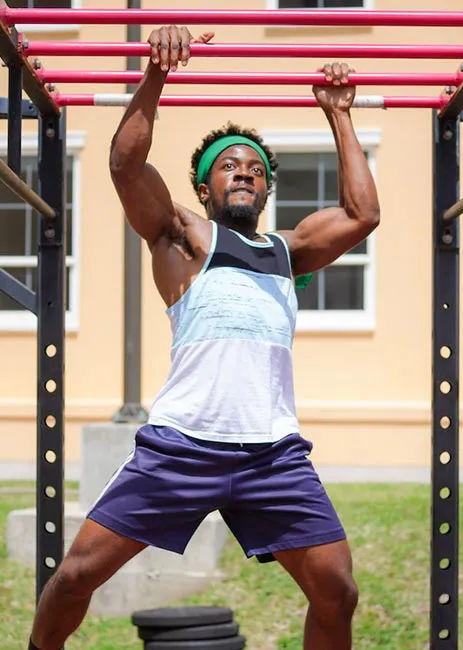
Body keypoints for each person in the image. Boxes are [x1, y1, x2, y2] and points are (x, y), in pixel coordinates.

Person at [28, 25, 380, 650]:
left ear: (267, 188)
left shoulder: (287, 252)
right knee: (78, 573)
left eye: (254, 169)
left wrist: (341, 116)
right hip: (182, 446)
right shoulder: (182, 239)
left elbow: (362, 216)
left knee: (339, 592)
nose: (243, 173)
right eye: (228, 166)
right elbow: (123, 164)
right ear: (203, 188)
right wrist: (157, 72)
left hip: (272, 454)